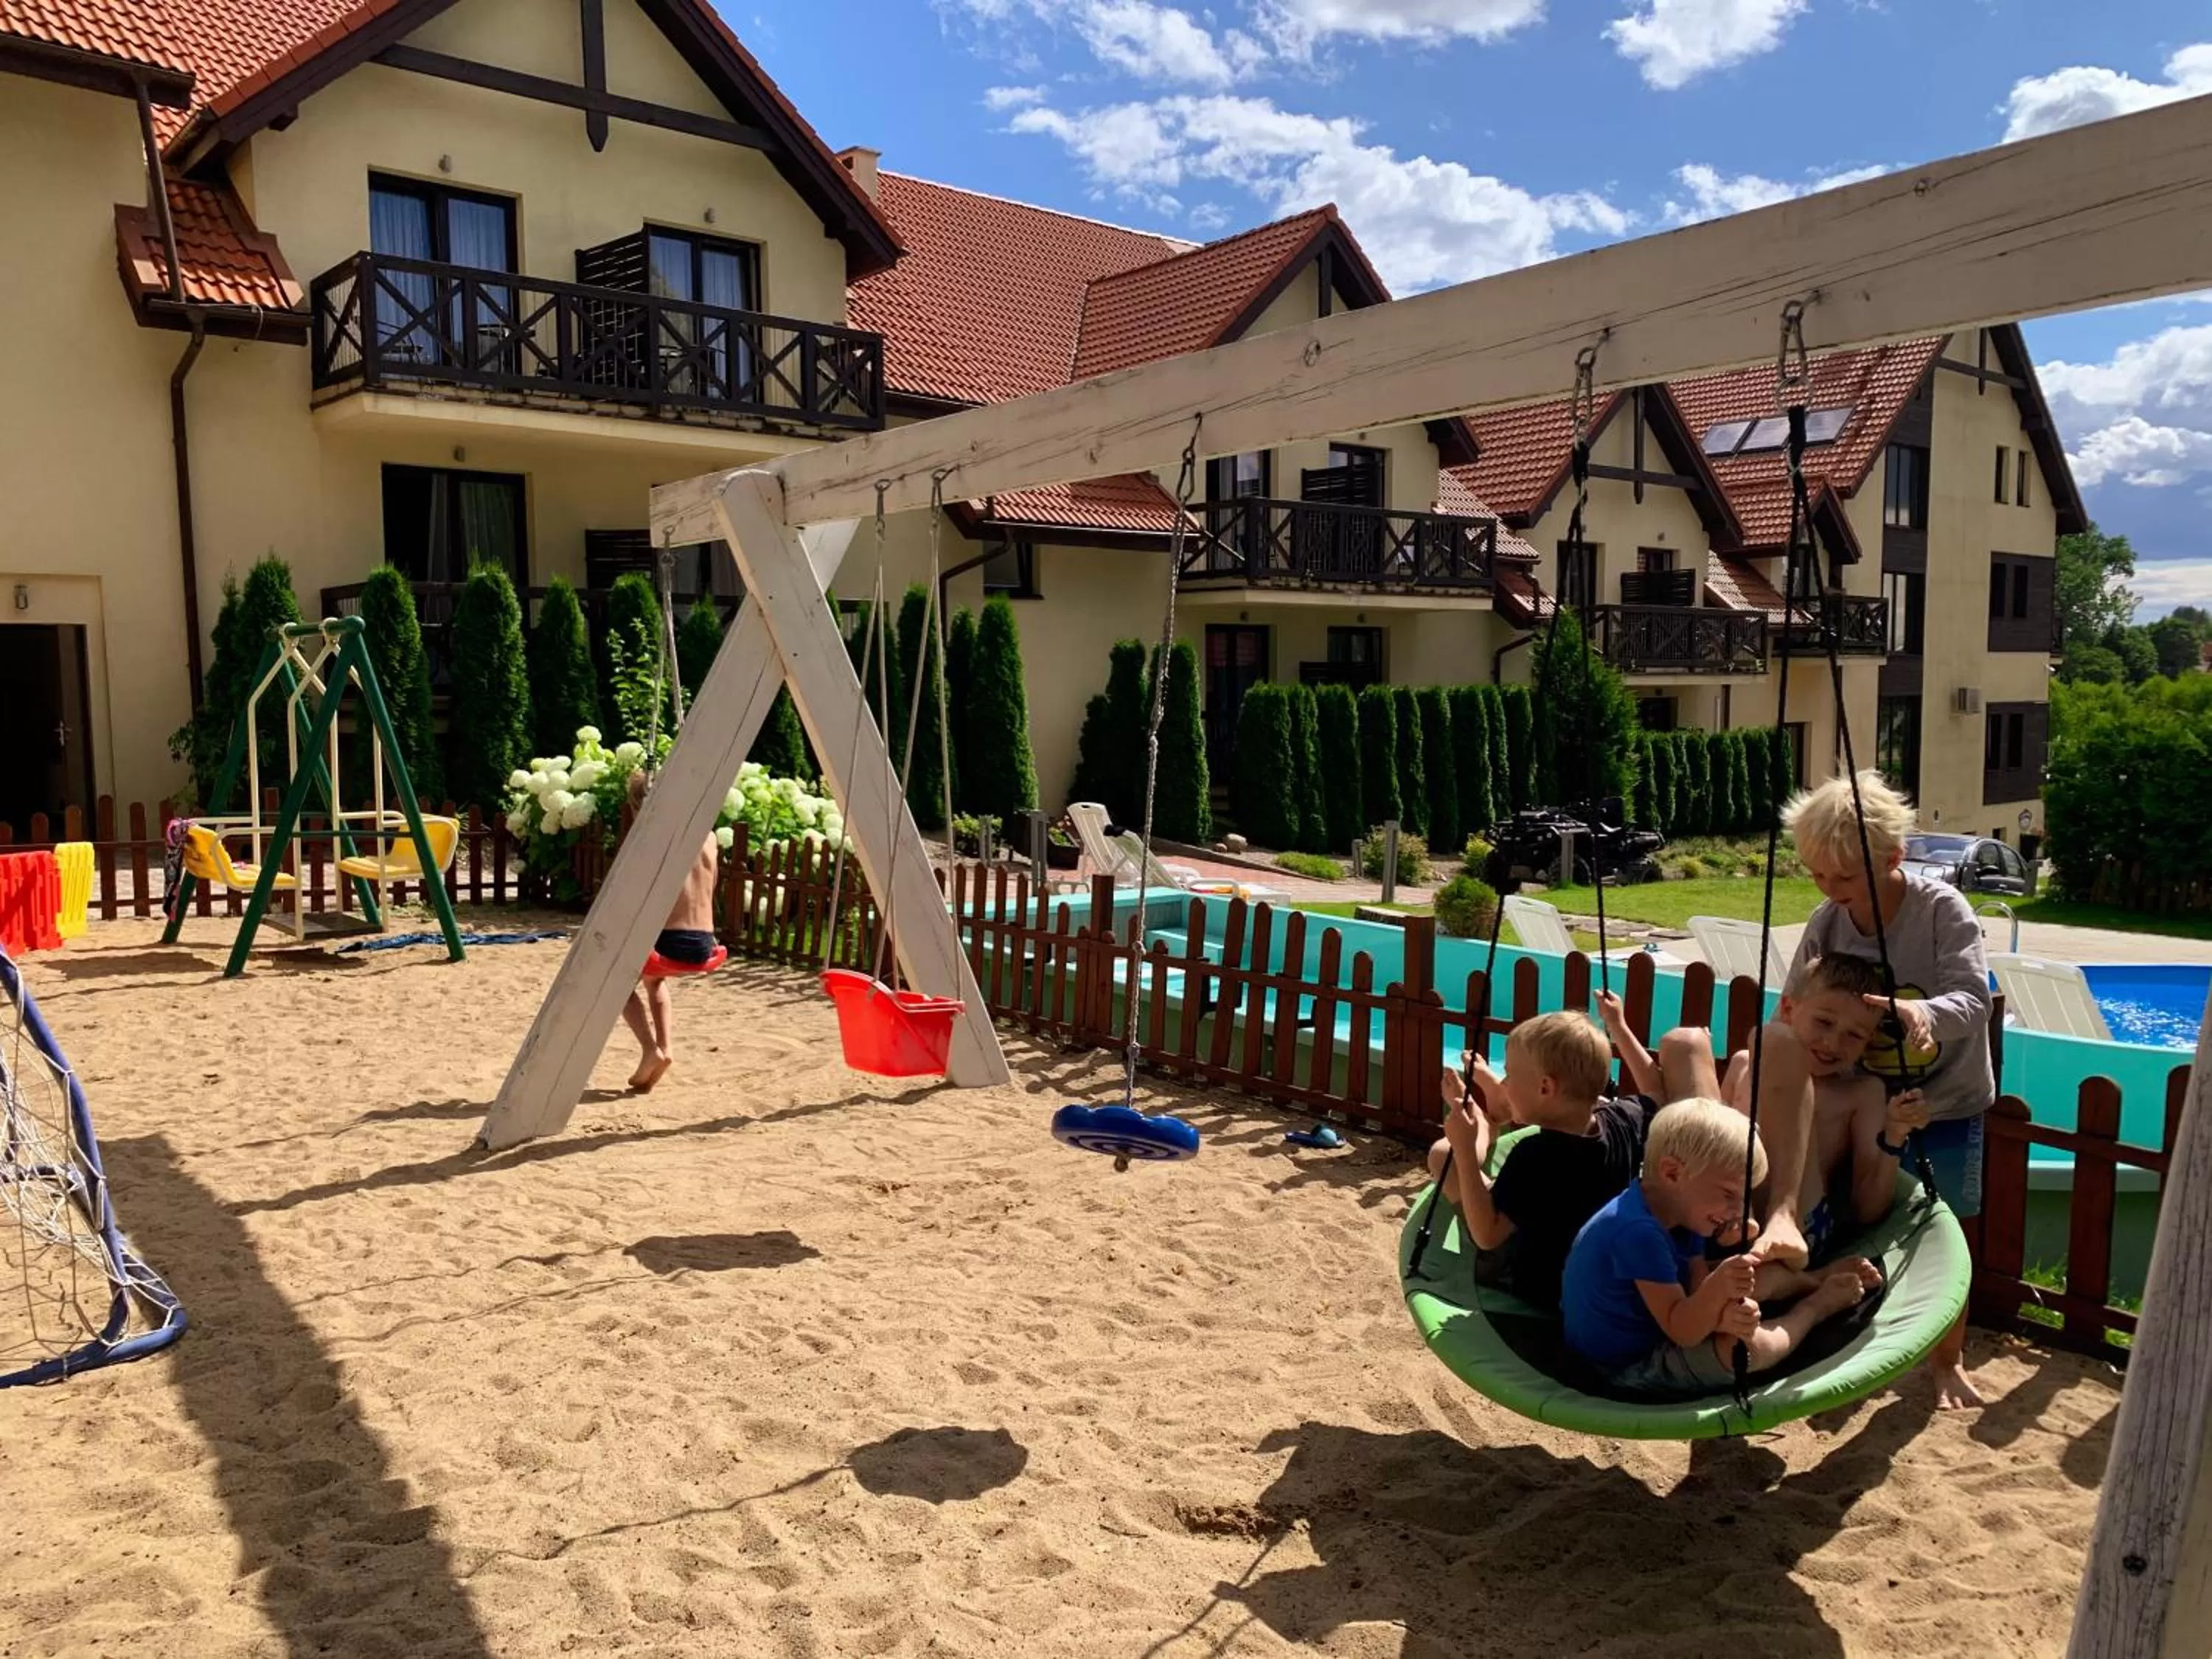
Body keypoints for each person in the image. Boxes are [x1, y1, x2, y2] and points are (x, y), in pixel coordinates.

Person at [1783, 770, 1994, 1409]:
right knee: (1857, 1217)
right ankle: (1860, 1339)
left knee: (1948, 1227)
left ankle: (1947, 1360)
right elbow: (1791, 1007)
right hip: (1868, 1104)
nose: (1829, 890)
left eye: (1842, 878)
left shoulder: (1939, 912)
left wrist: (1928, 1014)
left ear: (1894, 859)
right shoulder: (1828, 920)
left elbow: (1974, 997)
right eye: (1817, 875)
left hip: (1948, 1102)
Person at [1600, 955, 1933, 1270]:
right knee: (1684, 1042)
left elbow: (1867, 1210)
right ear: (1789, 1008)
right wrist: (1619, 1029)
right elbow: (1700, 1128)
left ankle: (1780, 1216)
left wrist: (1894, 1134)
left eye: (1854, 1036)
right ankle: (1702, 1224)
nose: (1832, 1043)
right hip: (1722, 1213)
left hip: (1799, 1228)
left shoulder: (1861, 1093)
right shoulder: (1745, 1067)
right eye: (1824, 1022)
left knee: (1774, 1040)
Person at [1562, 1096, 1882, 1398]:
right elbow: (1683, 1331)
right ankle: (1815, 1308)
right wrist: (1719, 1305)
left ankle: (1815, 1279)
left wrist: (1722, 1312)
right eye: (1730, 1194)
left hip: (1665, 1316)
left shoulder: (1680, 1211)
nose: (1738, 1209)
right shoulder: (1637, 1232)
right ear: (1673, 1173)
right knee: (1741, 1350)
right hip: (1627, 1363)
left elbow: (1697, 1282)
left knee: (1754, 1274)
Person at [1426, 1009, 1655, 1310]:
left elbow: (1487, 1235)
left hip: (1544, 1288)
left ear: (1545, 1088)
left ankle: (1487, 1123)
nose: (1507, 1082)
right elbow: (1654, 1094)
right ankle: (1491, 1118)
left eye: (1509, 1077)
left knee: (1445, 1156)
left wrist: (1467, 1152)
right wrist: (1618, 1025)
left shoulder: (1535, 1156)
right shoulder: (1624, 1120)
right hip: (1598, 1275)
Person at [619, 769, 723, 1093]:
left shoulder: (655, 837)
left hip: (669, 940)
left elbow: (637, 890)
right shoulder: (710, 835)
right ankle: (667, 1049)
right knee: (655, 980)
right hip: (705, 943)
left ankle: (650, 1049)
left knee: (616, 984)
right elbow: (711, 886)